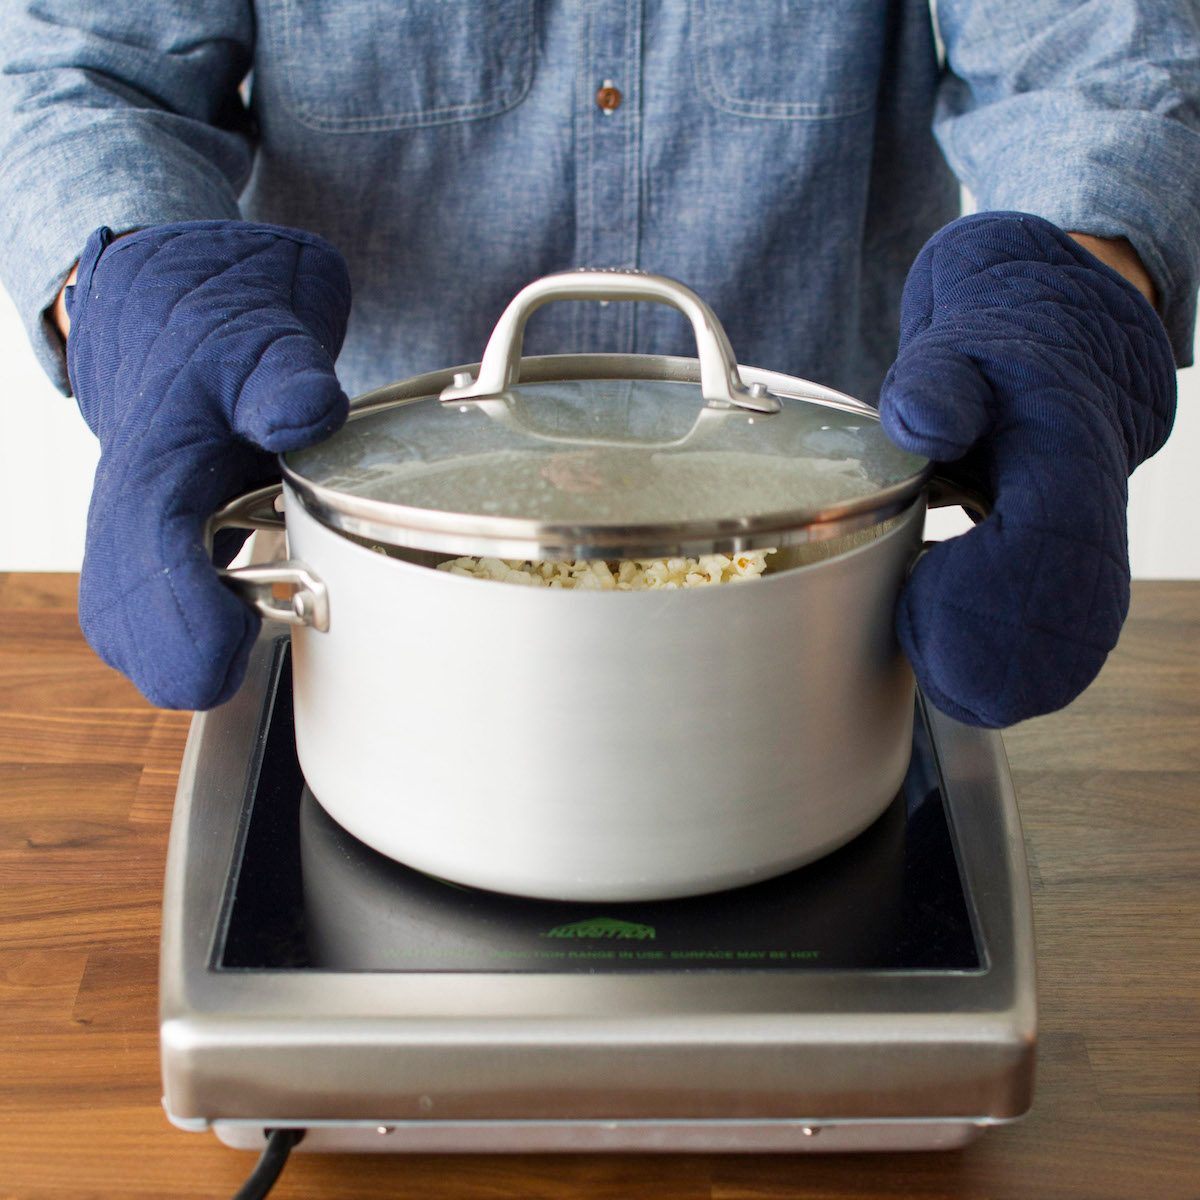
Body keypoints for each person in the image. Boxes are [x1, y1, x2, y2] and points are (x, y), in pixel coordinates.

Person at [0, 2, 1196, 724]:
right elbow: (79, 69)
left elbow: (1101, 55)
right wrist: (147, 306)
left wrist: (1068, 311)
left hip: (818, 597)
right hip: (377, 590)